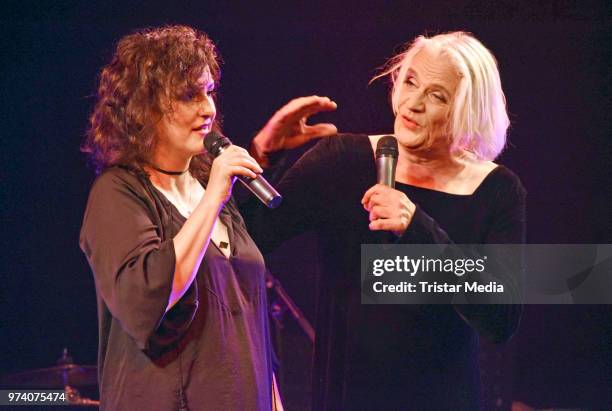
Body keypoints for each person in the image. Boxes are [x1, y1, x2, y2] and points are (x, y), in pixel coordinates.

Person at [245, 31, 526, 410]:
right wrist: (262, 157)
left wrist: (419, 231)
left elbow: (501, 319)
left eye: (437, 95)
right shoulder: (340, 160)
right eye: (411, 82)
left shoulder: (497, 190)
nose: (413, 103)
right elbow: (247, 240)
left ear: (467, 111)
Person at [79, 25, 336, 411]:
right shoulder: (118, 194)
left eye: (209, 91)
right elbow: (147, 296)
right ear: (143, 108)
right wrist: (215, 194)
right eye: (189, 95)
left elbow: (252, 328)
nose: (208, 108)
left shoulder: (210, 188)